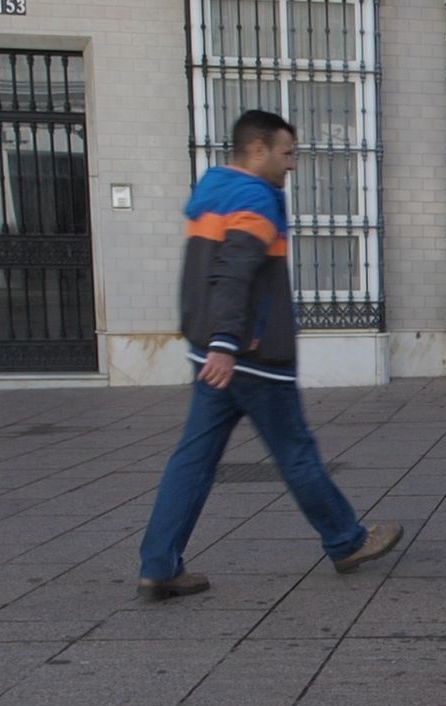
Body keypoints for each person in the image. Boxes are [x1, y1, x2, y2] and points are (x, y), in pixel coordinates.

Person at [137, 110, 402, 600]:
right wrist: (227, 342)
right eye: (287, 153)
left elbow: (212, 270)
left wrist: (213, 345)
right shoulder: (254, 198)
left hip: (213, 355)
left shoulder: (213, 191)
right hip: (252, 357)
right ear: (257, 149)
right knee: (295, 452)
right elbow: (235, 270)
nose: (291, 165)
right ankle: (347, 541)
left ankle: (158, 564)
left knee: (193, 461)